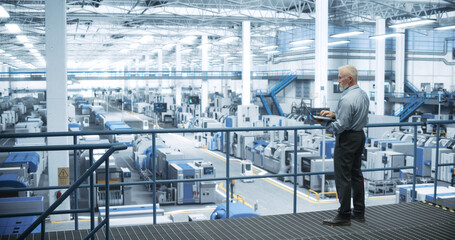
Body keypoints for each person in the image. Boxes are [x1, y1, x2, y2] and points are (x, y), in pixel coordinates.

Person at [313, 65, 369, 226]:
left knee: (343, 177)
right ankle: (359, 213)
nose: (338, 81)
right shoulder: (362, 95)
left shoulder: (345, 99)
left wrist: (323, 123)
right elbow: (357, 116)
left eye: (340, 77)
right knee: (356, 175)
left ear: (349, 79)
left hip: (346, 139)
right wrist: (334, 114)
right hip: (359, 136)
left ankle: (344, 215)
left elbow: (340, 126)